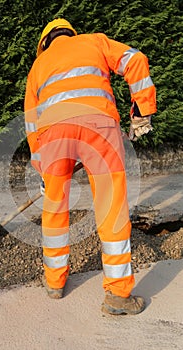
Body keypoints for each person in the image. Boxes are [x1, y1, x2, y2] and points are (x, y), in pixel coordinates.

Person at [24, 18, 157, 315]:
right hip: (100, 127)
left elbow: (32, 126)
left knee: (54, 207)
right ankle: (118, 296)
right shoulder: (94, 41)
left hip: (53, 137)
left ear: (44, 43)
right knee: (111, 207)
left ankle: (54, 282)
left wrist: (42, 167)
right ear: (70, 33)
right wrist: (141, 112)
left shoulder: (38, 67)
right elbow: (135, 59)